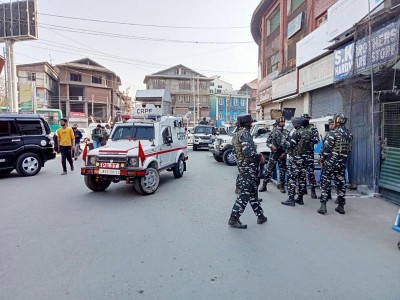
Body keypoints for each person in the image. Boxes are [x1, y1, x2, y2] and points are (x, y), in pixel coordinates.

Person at [229, 114, 267, 229]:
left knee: (252, 193)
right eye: (251, 122)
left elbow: (235, 151)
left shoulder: (236, 134)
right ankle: (233, 218)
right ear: (248, 123)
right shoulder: (245, 134)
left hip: (243, 165)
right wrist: (258, 155)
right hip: (248, 167)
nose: (251, 124)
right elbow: (247, 151)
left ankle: (260, 215)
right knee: (245, 193)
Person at [317, 113, 353, 215]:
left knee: (325, 182)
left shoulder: (332, 133)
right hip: (342, 162)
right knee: (341, 183)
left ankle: (323, 206)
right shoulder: (349, 134)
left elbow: (326, 149)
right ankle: (341, 206)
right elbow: (349, 150)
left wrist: (322, 159)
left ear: (336, 121)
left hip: (330, 162)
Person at [281, 116, 310, 207]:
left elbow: (290, 145)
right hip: (305, 158)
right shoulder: (308, 132)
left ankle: (291, 199)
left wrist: (285, 140)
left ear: (297, 124)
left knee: (292, 179)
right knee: (302, 178)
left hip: (296, 158)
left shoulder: (297, 133)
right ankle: (300, 198)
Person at [259, 116, 289, 193]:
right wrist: (271, 146)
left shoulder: (286, 132)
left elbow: (290, 144)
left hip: (282, 153)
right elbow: (268, 142)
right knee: (269, 170)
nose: (283, 123)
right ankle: (264, 185)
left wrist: (285, 153)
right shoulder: (273, 132)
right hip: (274, 153)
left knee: (282, 170)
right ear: (278, 123)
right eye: (281, 122)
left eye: (284, 122)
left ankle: (282, 186)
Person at [302, 113, 320, 199]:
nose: (305, 120)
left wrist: (309, 139)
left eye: (307, 118)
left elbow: (317, 140)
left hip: (309, 153)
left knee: (311, 173)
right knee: (301, 172)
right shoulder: (299, 128)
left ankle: (313, 190)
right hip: (300, 154)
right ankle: (303, 189)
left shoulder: (313, 128)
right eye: (304, 118)